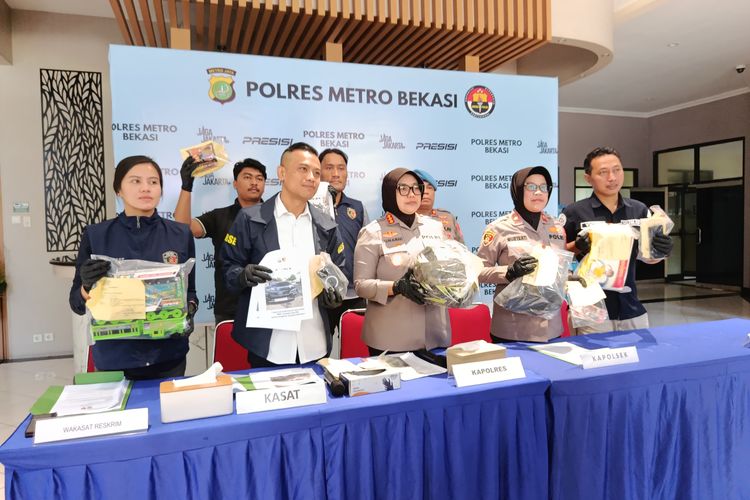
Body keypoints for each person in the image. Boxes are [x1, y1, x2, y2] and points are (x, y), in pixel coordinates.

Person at [69, 155, 197, 380]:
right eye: (136, 181)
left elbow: (191, 291)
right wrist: (86, 285)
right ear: (119, 189)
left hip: (168, 356)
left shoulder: (180, 234)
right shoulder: (96, 235)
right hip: (114, 358)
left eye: (153, 182)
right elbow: (76, 303)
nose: (146, 188)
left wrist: (189, 310)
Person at [222, 142, 345, 367]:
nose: (311, 178)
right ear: (282, 173)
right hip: (268, 346)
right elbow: (228, 266)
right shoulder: (250, 219)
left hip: (314, 343)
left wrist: (333, 294)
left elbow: (338, 272)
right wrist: (242, 275)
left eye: (317, 173)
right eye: (303, 169)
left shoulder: (327, 225)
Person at [562, 147, 673, 333]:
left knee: (638, 352)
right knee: (595, 352)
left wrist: (661, 250)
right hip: (591, 308)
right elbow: (559, 255)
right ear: (588, 178)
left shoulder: (639, 210)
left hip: (631, 306)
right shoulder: (574, 212)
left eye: (617, 170)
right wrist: (577, 246)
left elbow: (649, 257)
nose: (612, 178)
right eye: (603, 172)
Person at [354, 168, 450, 355]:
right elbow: (361, 285)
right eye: (403, 188)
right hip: (391, 338)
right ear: (390, 192)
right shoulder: (373, 232)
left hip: (435, 334)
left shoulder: (435, 227)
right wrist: (396, 287)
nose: (411, 194)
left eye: (416, 188)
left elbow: (447, 267)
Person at [476, 166, 566, 342]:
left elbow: (560, 270)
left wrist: (572, 278)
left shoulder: (556, 227)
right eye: (531, 186)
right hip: (513, 328)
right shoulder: (498, 228)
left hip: (551, 327)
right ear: (518, 190)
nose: (538, 192)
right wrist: (509, 272)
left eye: (543, 187)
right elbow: (478, 272)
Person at [174, 157, 266, 323]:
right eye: (247, 177)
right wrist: (186, 187)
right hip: (230, 310)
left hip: (271, 307)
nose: (254, 182)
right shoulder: (220, 216)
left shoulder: (276, 215)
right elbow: (183, 228)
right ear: (235, 184)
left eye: (259, 178)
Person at [318, 148, 368, 330]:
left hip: (354, 294)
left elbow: (367, 250)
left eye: (341, 168)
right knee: (320, 346)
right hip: (319, 294)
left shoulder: (357, 208)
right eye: (329, 168)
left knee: (356, 344)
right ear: (318, 172)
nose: (336, 174)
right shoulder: (308, 207)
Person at [413, 168, 464, 243]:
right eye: (420, 188)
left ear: (434, 193)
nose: (426, 192)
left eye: (429, 188)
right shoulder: (401, 220)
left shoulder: (449, 217)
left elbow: (461, 247)